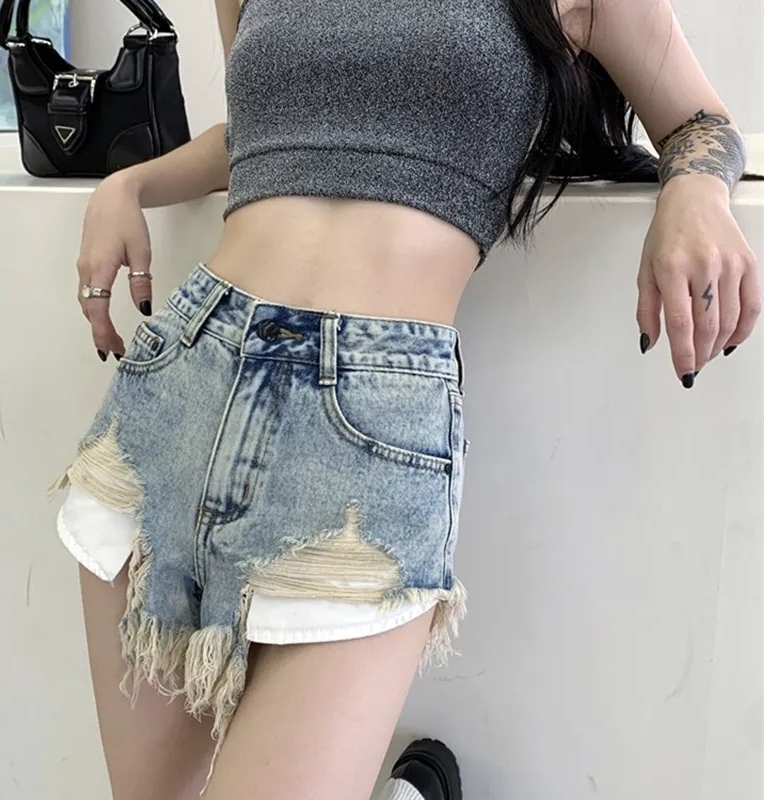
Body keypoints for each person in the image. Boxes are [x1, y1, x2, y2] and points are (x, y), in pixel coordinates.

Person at [50, 0, 760, 798]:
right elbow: (257, 134)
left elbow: (699, 122)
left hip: (368, 428)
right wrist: (127, 183)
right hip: (180, 382)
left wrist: (696, 193)